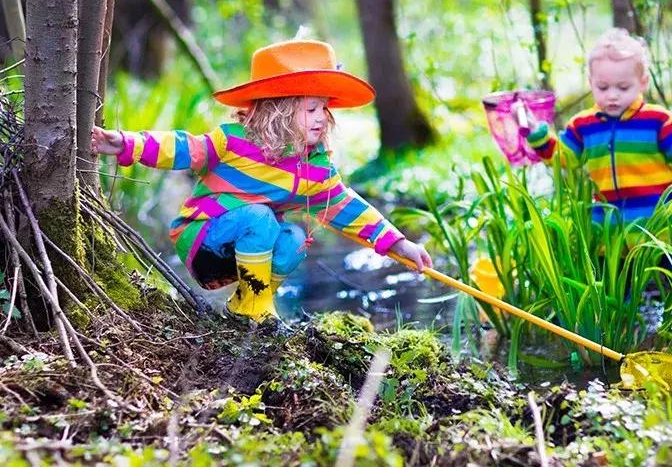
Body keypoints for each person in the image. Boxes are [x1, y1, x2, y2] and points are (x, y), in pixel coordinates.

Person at [92, 39, 432, 322]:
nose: (321, 118)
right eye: (311, 109)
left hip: (251, 248)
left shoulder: (315, 169)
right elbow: (183, 148)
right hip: (203, 240)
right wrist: (126, 143)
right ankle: (258, 311)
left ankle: (247, 305)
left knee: (296, 238)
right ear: (279, 110)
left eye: (324, 109)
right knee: (259, 216)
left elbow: (346, 208)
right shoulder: (233, 141)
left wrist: (398, 244)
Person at [520, 28, 672, 227]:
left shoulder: (657, 120)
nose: (612, 95)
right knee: (609, 262)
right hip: (609, 232)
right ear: (591, 83)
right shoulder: (583, 125)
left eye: (623, 87)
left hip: (660, 228)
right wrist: (537, 134)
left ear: (642, 83)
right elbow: (563, 157)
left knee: (670, 262)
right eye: (603, 87)